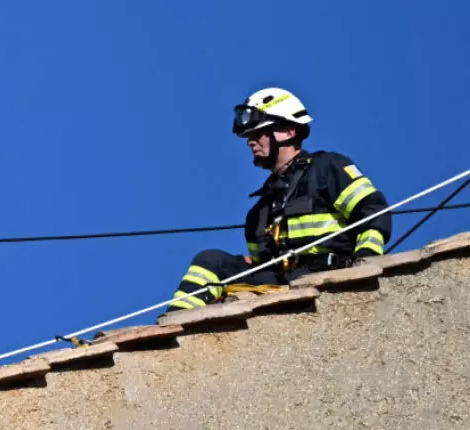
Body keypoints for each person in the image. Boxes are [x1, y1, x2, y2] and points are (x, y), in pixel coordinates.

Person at [165, 87, 392, 313]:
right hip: (281, 286)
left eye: (258, 134)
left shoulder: (328, 167)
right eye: (248, 137)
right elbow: (262, 264)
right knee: (210, 261)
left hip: (328, 278)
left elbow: (373, 212)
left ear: (288, 131)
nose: (250, 142)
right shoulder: (260, 211)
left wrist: (365, 265)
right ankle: (176, 327)